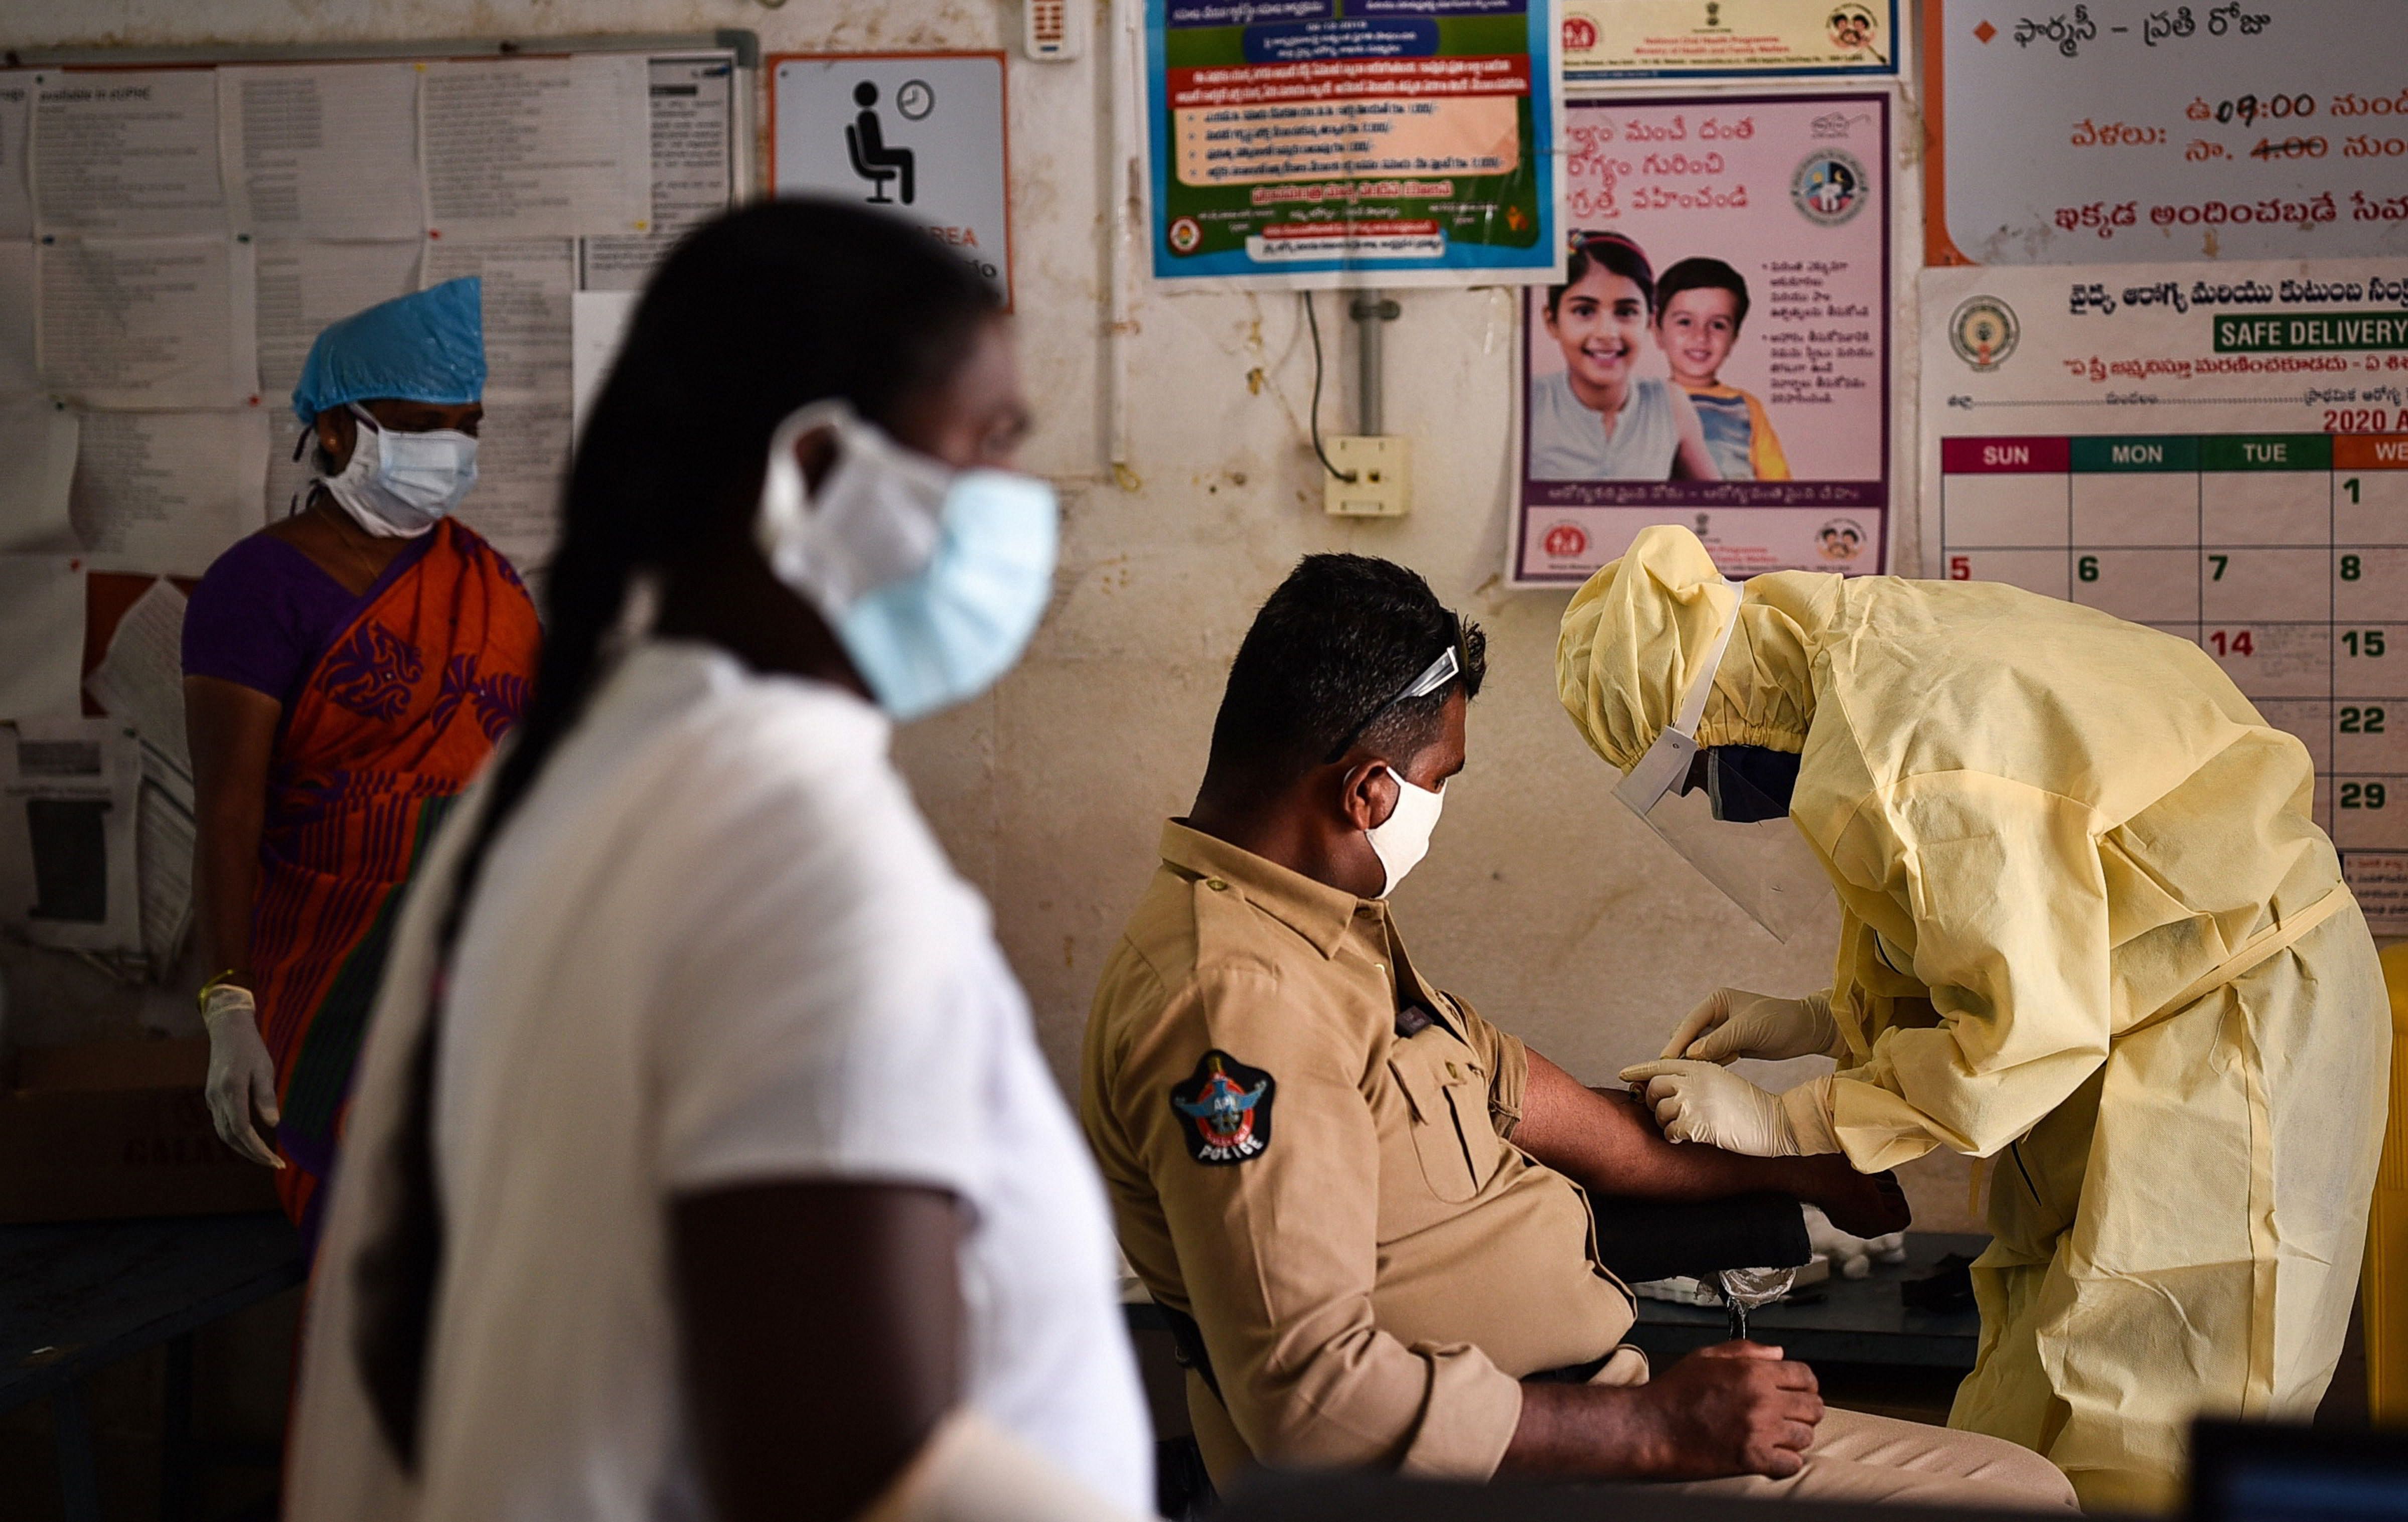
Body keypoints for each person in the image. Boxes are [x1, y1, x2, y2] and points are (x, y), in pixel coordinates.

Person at [284, 202, 1151, 1521]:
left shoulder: (569, 783)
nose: (1022, 506)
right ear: (812, 467)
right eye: (987, 443)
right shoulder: (798, 858)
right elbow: (848, 1472)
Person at [1083, 553, 2076, 1508]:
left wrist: (1801, 1158)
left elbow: (1579, 1127)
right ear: (1366, 791)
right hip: (1500, 1474)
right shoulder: (1238, 1002)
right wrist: (1663, 1428)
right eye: (1444, 775)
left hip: (1593, 1411)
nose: (1438, 805)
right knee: (2028, 1503)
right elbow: (1313, 1404)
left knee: (2025, 1484)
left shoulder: (1335, 934)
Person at [1567, 525, 2391, 1511]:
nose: (1712, 798)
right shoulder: (1855, 662)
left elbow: (2024, 1030)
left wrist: (1792, 1122)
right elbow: (2002, 946)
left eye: (1693, 769)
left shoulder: (1907, 740)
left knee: (2167, 1413)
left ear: (1713, 702)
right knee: (2035, 1371)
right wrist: (1829, 1020)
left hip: (2235, 1032)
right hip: (2138, 1018)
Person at [185, 277, 539, 1252]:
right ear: (337, 431)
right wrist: (228, 1005)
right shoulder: (255, 588)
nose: (453, 452)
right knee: (376, 1259)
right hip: (332, 967)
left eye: (468, 425)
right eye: (424, 424)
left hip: (486, 969)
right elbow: (228, 809)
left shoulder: (490, 584)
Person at [1527, 233, 1719, 483]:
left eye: (1626, 312)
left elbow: (1721, 504)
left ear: (1650, 322)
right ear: (1552, 321)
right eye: (1584, 311)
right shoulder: (1531, 402)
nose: (1607, 333)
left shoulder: (1669, 405)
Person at [1652, 257, 1789, 482]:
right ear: (1657, 330)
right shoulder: (1643, 403)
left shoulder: (1746, 408)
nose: (1701, 337)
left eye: (1718, 325)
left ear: (1734, 338)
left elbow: (1779, 487)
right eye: (1685, 322)